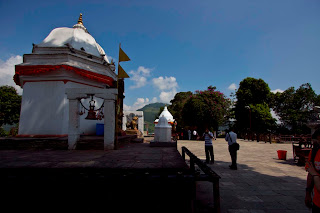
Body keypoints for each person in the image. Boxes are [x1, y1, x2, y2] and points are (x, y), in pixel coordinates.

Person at [305, 129, 320, 212]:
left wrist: (315, 174)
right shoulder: (314, 152)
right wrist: (308, 193)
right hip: (317, 202)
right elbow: (310, 173)